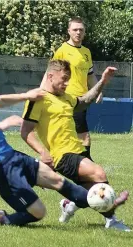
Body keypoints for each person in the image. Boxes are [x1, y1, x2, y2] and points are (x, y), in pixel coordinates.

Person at [0, 65, 96, 227]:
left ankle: (103, 202)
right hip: (2, 170)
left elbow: (1, 100)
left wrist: (26, 95)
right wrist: (0, 125)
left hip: (14, 157)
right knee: (38, 212)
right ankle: (3, 219)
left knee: (57, 180)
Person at [21, 59, 130, 231]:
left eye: (68, 79)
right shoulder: (38, 98)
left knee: (88, 193)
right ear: (50, 76)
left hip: (78, 150)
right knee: (98, 173)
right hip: (62, 156)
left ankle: (69, 205)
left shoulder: (66, 98)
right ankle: (112, 219)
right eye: (63, 79)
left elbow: (86, 99)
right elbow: (25, 131)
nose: (66, 83)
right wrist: (43, 152)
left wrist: (102, 81)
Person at [47, 16, 102, 159]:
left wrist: (98, 90)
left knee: (70, 134)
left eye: (81, 30)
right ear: (69, 32)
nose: (78, 32)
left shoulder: (86, 52)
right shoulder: (62, 51)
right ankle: (86, 163)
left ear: (84, 32)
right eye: (75, 29)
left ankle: (57, 160)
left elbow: (90, 75)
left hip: (83, 99)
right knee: (84, 136)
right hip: (68, 98)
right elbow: (51, 74)